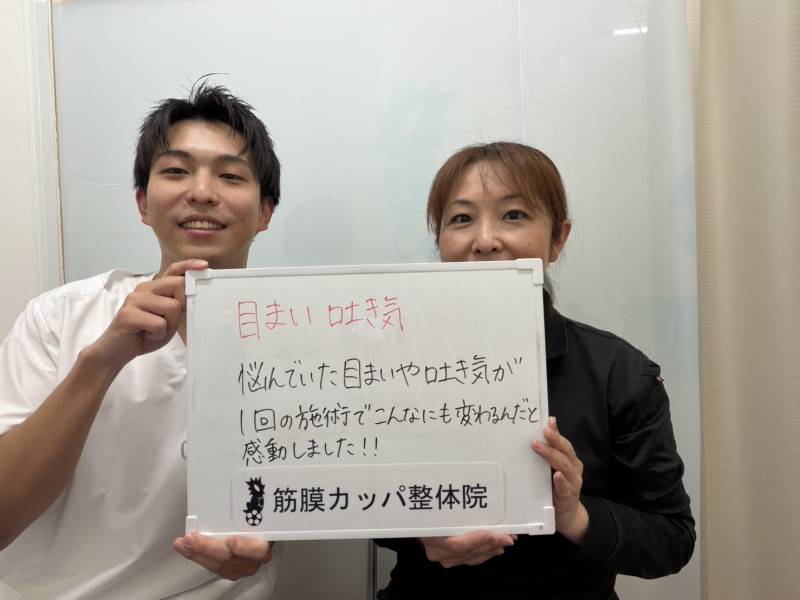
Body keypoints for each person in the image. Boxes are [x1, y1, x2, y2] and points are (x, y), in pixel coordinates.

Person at [375, 142, 695, 599]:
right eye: (462, 219)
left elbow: (671, 538)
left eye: (514, 215)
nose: (485, 239)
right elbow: (359, 499)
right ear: (440, 240)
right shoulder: (394, 364)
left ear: (557, 239)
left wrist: (575, 516)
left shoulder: (620, 373)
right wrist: (419, 534)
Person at [0, 81, 281, 599]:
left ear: (264, 212)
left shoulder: (299, 339)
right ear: (142, 203)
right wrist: (100, 363)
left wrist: (267, 541)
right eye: (176, 171)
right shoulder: (60, 318)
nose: (202, 191)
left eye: (230, 175)